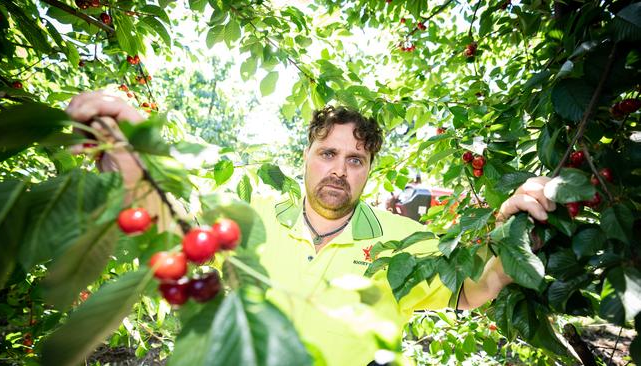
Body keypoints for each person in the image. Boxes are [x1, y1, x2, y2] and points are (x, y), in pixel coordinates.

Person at [66, 92, 556, 366]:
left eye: (355, 159)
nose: (339, 169)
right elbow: (173, 224)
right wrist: (130, 161)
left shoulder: (406, 241)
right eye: (328, 154)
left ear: (369, 169)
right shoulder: (250, 219)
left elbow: (475, 289)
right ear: (305, 157)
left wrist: (513, 235)